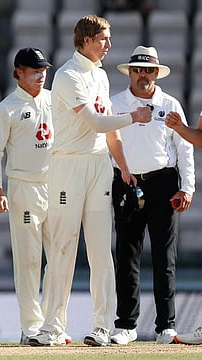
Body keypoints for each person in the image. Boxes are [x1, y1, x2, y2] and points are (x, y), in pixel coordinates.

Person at [28, 15, 152, 347]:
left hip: (99, 166)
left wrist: (123, 166)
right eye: (103, 39)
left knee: (100, 250)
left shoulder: (99, 76)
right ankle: (52, 327)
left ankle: (101, 326)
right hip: (68, 166)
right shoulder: (68, 75)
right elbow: (96, 122)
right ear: (85, 40)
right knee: (63, 247)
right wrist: (134, 117)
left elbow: (108, 131)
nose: (108, 45)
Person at [109, 45, 195, 345]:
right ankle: (126, 325)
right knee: (127, 253)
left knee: (164, 256)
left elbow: (184, 145)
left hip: (163, 183)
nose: (142, 75)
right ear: (129, 73)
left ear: (156, 73)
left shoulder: (170, 104)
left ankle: (165, 326)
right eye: (137, 69)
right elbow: (107, 142)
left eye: (148, 70)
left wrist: (187, 187)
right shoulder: (115, 103)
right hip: (127, 181)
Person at [0, 47, 71, 346]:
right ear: (17, 73)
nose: (41, 75)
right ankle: (31, 327)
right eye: (34, 70)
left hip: (57, 185)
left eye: (43, 70)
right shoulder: (7, 108)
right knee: (28, 260)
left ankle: (54, 324)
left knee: (60, 257)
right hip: (24, 186)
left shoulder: (55, 101)